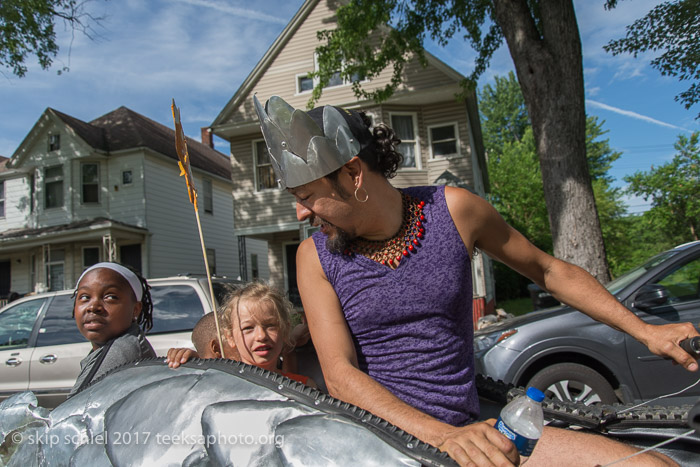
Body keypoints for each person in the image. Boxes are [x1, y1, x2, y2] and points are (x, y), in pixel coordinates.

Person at [254, 95, 700, 466]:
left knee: (653, 465)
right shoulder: (315, 256)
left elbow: (549, 271)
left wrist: (646, 331)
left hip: (477, 434)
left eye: (308, 196)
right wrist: (443, 437)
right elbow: (340, 375)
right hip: (379, 444)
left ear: (353, 174)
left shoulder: (454, 210)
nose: (300, 214)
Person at [167, 282, 317, 388]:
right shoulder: (217, 384)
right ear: (230, 337)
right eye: (248, 328)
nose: (261, 336)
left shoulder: (303, 387)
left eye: (270, 325)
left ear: (285, 330)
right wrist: (190, 364)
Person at [68, 262, 156, 398]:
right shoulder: (110, 347)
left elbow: (74, 414)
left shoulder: (121, 353)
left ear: (135, 309)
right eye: (85, 297)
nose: (93, 306)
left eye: (110, 297)